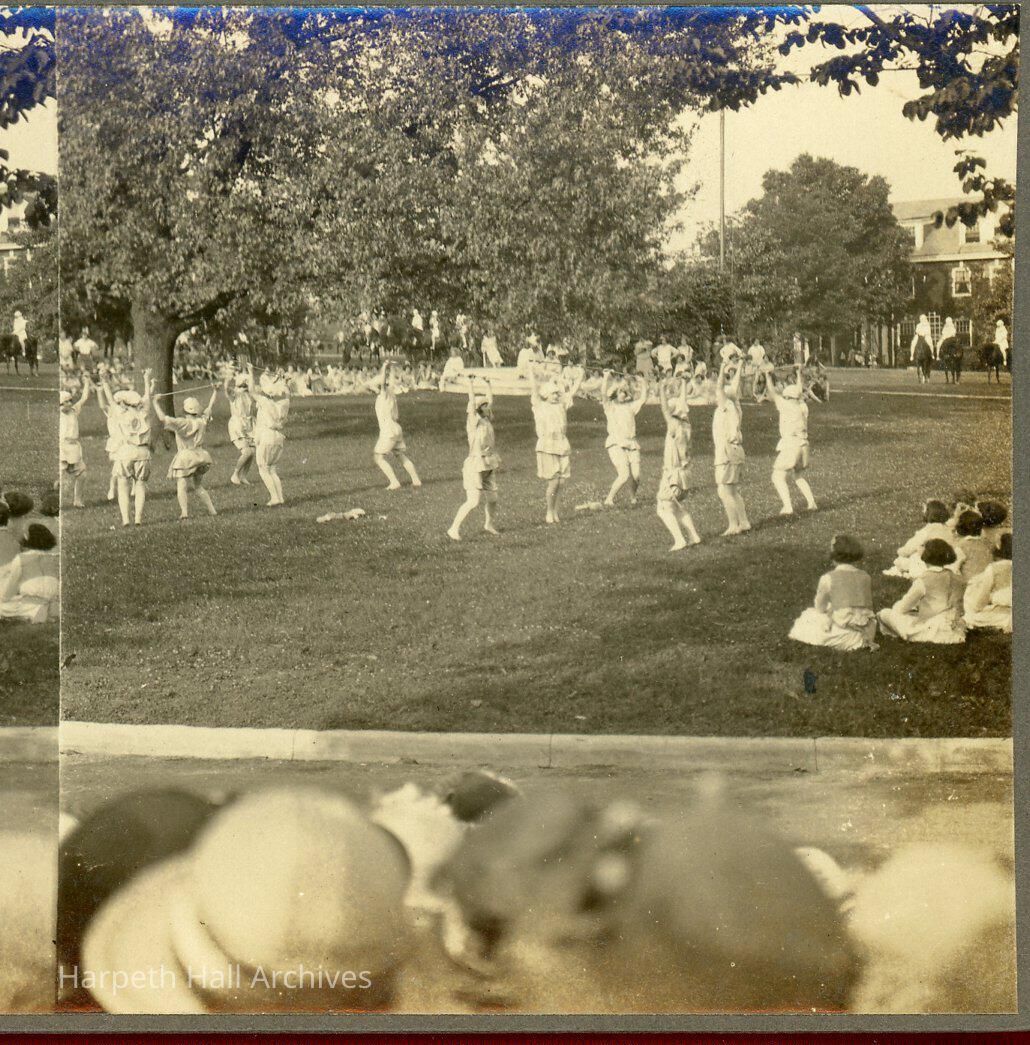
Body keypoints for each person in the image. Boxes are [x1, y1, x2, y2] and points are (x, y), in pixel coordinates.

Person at [788, 535, 878, 651]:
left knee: (808, 615)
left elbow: (820, 607)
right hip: (867, 632)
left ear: (833, 556)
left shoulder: (828, 578)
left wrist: (830, 609)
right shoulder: (866, 576)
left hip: (844, 636)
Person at [878, 539, 966, 644]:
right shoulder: (957, 578)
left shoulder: (923, 580)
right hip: (955, 629)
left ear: (925, 557)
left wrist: (898, 610)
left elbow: (902, 607)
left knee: (884, 613)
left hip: (933, 631)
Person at [447, 377, 500, 541]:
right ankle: (453, 528)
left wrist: (488, 384)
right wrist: (470, 384)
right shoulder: (473, 422)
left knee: (493, 498)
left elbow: (490, 400)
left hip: (488, 463)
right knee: (473, 501)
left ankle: (488, 524)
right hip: (474, 465)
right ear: (477, 409)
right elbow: (471, 404)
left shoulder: (486, 421)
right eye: (484, 405)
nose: (488, 407)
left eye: (487, 405)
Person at [529, 362, 582, 525]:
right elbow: (533, 388)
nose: (556, 396)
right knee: (553, 481)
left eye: (557, 393)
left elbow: (573, 391)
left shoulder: (561, 405)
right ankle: (549, 511)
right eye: (553, 393)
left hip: (561, 444)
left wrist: (581, 374)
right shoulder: (540, 406)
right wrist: (530, 370)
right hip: (547, 445)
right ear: (546, 394)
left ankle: (556, 512)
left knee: (561, 481)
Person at [154, 389, 218, 521]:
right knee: (198, 486)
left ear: (185, 410)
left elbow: (162, 418)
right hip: (200, 456)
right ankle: (212, 510)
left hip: (185, 457)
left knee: (181, 484)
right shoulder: (201, 421)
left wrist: (155, 402)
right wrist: (215, 391)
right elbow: (209, 407)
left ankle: (184, 512)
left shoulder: (181, 423)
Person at [655, 372, 701, 551]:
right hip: (685, 473)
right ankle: (694, 536)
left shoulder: (674, 425)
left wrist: (661, 387)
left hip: (673, 474)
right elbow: (682, 402)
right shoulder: (686, 425)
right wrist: (683, 383)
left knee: (662, 508)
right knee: (676, 506)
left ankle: (679, 540)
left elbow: (664, 409)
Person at [764, 363, 817, 515]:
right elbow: (799, 391)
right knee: (798, 475)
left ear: (788, 397)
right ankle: (811, 502)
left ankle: (788, 507)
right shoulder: (802, 407)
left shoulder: (786, 406)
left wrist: (768, 376)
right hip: (804, 445)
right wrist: (798, 373)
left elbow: (772, 392)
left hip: (791, 445)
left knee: (777, 476)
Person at [111, 372, 155, 527]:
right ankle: (138, 519)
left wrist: (105, 382)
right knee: (140, 485)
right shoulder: (144, 412)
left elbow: (112, 401)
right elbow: (147, 397)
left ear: (123, 404)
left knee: (123, 485)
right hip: (143, 452)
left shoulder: (120, 414)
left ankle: (126, 519)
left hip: (126, 452)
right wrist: (147, 380)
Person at [712, 358, 750, 536]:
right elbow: (734, 384)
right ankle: (744, 522)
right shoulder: (735, 406)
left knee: (724, 490)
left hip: (726, 451)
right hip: (735, 450)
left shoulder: (726, 405)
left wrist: (722, 367)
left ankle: (733, 525)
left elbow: (720, 386)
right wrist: (740, 365)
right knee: (732, 490)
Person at [373, 360, 422, 491]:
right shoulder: (391, 393)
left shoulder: (384, 394)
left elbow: (384, 382)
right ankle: (416, 480)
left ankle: (394, 482)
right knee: (400, 455)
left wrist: (384, 366)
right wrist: (392, 368)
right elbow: (390, 382)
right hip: (395, 428)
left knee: (378, 457)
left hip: (388, 429)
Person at [600, 371, 646, 508]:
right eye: (620, 392)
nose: (623, 394)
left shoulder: (631, 407)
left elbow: (643, 398)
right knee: (624, 475)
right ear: (615, 394)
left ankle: (633, 497)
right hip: (616, 443)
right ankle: (609, 499)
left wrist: (642, 382)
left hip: (631, 443)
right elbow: (603, 394)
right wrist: (606, 377)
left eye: (625, 392)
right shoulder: (610, 407)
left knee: (636, 475)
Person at [883, 500, 959, 579]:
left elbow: (908, 549)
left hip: (932, 563)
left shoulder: (928, 530)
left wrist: (900, 551)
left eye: (925, 511)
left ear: (929, 513)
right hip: (948, 562)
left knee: (909, 557)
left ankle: (906, 572)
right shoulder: (949, 528)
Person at [0, 523, 59, 624]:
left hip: (32, 604)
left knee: (3, 605)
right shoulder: (54, 558)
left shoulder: (21, 559)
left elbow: (9, 591)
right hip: (53, 600)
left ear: (27, 539)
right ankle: (47, 611)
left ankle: (32, 614)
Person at [250, 365, 291, 507]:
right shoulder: (284, 404)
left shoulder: (264, 402)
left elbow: (251, 391)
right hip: (278, 438)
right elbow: (287, 394)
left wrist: (250, 372)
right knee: (272, 468)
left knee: (262, 468)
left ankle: (274, 498)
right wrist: (284, 382)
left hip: (267, 436)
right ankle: (280, 498)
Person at [963, 533, 1012, 633]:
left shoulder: (994, 568)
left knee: (970, 616)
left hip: (1001, 612)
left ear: (1000, 547)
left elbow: (981, 600)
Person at [60, 379, 92, 509]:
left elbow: (84, 398)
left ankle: (77, 500)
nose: (69, 403)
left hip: (73, 447)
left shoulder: (74, 411)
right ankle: (57, 503)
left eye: (70, 401)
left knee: (82, 473)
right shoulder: (57, 416)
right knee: (60, 476)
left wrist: (87, 382)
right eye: (65, 402)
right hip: (61, 447)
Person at [224, 369, 256, 486]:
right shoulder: (235, 394)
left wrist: (251, 372)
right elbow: (226, 390)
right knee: (247, 452)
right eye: (243, 385)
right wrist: (228, 379)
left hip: (248, 424)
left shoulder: (249, 395)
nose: (245, 387)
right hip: (237, 425)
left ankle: (243, 476)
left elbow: (253, 388)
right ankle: (235, 474)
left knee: (252, 452)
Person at [951, 510, 993, 583]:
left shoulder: (962, 546)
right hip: (987, 583)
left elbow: (953, 569)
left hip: (970, 585)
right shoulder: (988, 544)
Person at [910, 315, 933, 383]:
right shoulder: (918, 325)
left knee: (930, 343)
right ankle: (912, 355)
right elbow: (917, 331)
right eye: (921, 319)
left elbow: (928, 332)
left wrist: (924, 334)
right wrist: (919, 334)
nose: (922, 320)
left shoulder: (927, 325)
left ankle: (932, 354)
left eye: (923, 319)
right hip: (919, 336)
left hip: (926, 336)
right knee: (913, 343)